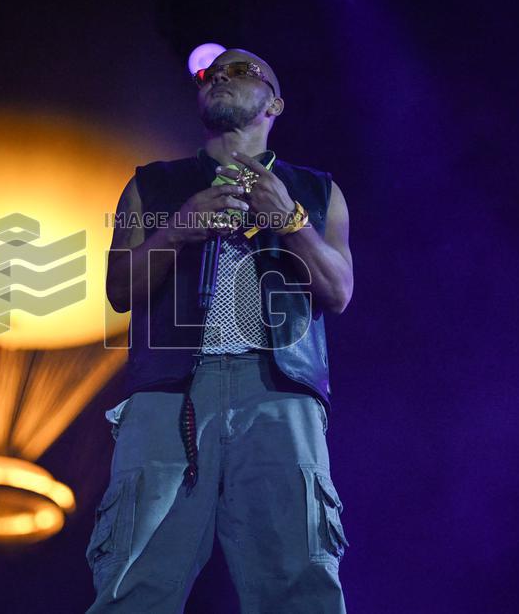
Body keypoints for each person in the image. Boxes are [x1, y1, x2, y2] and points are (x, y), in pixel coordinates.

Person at [87, 48, 354, 613]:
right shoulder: (151, 186)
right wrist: (179, 228)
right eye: (210, 74)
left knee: (300, 587)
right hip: (170, 397)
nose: (217, 78)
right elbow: (117, 288)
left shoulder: (317, 190)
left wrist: (289, 219)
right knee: (134, 585)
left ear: (275, 102)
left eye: (240, 71)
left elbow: (339, 291)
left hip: (279, 395)